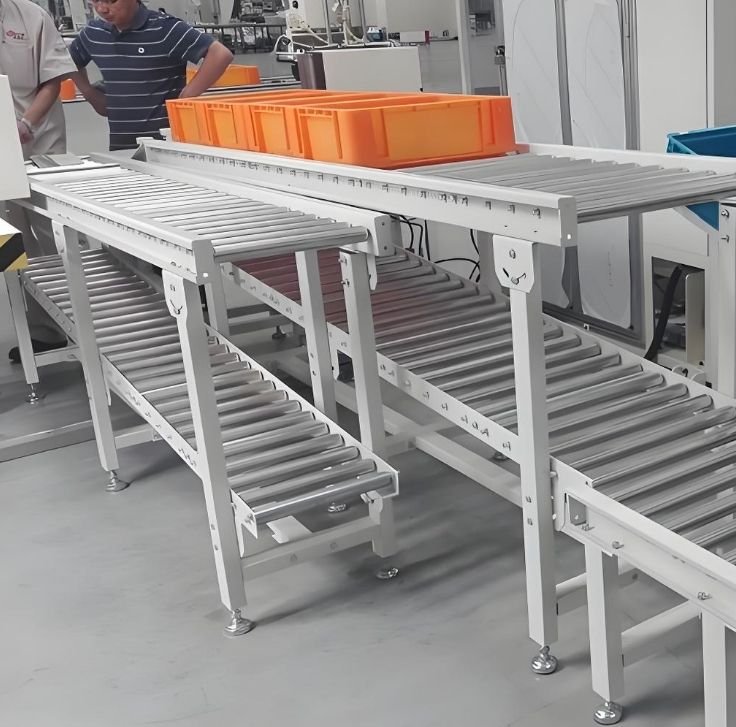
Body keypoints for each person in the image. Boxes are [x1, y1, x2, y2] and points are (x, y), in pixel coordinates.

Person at [0, 0, 77, 362]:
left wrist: (26, 123)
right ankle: (42, 329)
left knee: (53, 232)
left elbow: (53, 79)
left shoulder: (30, 16)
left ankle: (77, 318)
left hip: (41, 140)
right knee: (10, 238)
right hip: (1, 154)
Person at [69, 0, 233, 150]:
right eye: (95, 1)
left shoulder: (164, 28)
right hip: (122, 145)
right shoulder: (94, 33)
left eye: (111, 1)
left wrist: (187, 96)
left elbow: (220, 54)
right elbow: (69, 59)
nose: (102, 9)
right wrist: (90, 94)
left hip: (167, 144)